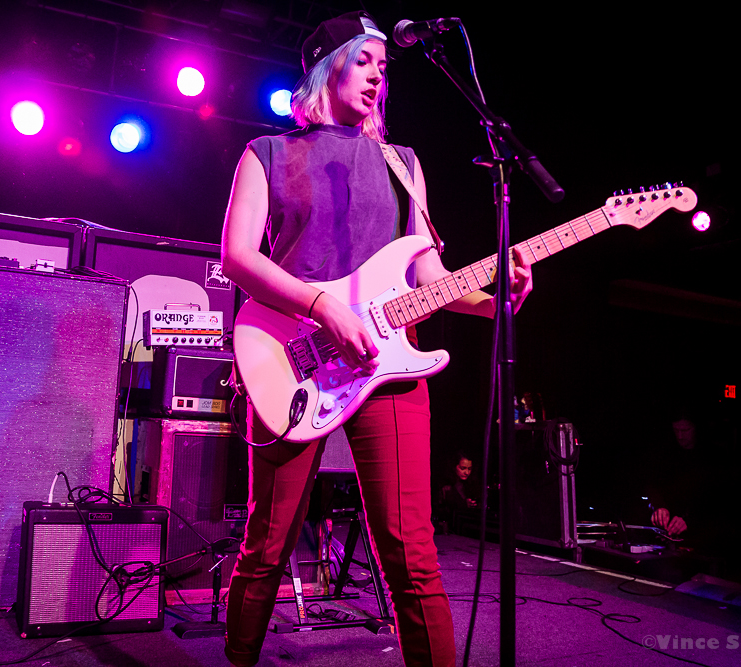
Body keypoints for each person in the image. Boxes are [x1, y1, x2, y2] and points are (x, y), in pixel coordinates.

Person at [219, 12, 532, 666]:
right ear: (326, 66)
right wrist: (322, 306)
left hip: (389, 366)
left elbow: (430, 277)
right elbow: (238, 256)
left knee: (412, 552)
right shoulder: (266, 153)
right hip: (293, 358)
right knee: (267, 545)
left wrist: (492, 302)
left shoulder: (402, 164)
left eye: (384, 68)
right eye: (363, 61)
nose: (377, 77)